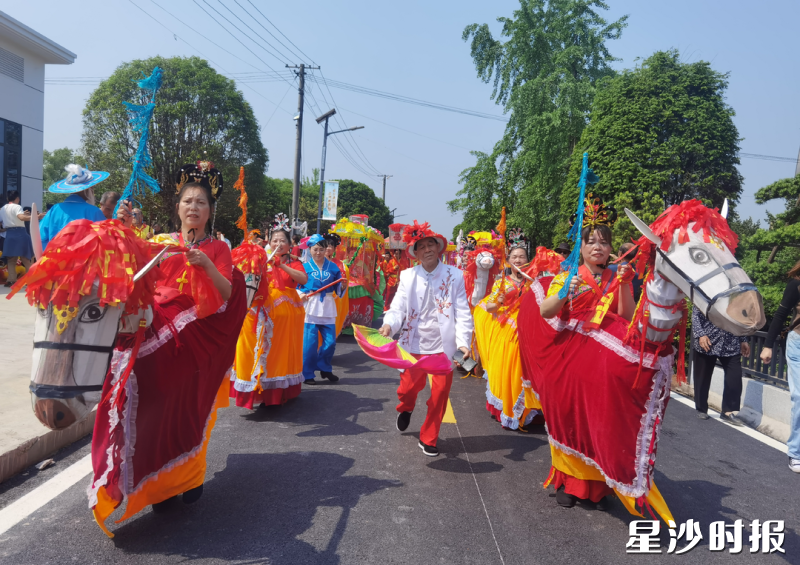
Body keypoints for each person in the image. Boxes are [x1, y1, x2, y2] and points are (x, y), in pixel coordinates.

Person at [91, 161, 247, 534]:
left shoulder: (218, 248)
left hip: (197, 341)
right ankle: (153, 481)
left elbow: (226, 295)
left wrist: (207, 265)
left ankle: (189, 476)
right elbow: (127, 268)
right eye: (187, 201)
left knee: (191, 408)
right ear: (177, 208)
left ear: (210, 212)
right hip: (155, 333)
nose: (193, 207)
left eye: (201, 202)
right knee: (144, 400)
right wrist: (122, 228)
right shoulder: (158, 244)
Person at [538, 219, 634, 509]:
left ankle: (599, 487)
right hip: (570, 358)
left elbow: (626, 316)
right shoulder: (569, 275)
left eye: (604, 242)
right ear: (581, 247)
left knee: (600, 421)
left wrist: (627, 285)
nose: (597, 247)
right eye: (591, 241)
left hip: (604, 364)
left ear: (610, 249)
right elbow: (546, 310)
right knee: (570, 420)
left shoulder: (617, 278)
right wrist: (566, 290)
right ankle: (568, 480)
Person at [379, 220, 473, 457]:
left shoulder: (455, 275)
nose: (427, 249)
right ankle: (405, 407)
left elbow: (462, 311)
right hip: (414, 342)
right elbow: (398, 306)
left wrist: (463, 342)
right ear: (416, 253)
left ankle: (429, 437)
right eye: (422, 247)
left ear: (438, 248)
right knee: (408, 388)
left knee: (440, 394)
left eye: (431, 244)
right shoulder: (408, 275)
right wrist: (389, 324)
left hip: (444, 346)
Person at [231, 213, 308, 408]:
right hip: (260, 309)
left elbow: (303, 280)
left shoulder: (293, 261)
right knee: (251, 346)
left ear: (290, 244)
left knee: (277, 354)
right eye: (275, 240)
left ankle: (275, 391)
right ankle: (252, 387)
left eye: (283, 240)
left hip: (285, 316)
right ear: (269, 242)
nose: (278, 243)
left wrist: (281, 264)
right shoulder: (261, 258)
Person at [475, 229, 536, 430]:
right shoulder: (502, 281)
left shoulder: (534, 282)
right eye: (515, 257)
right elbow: (490, 307)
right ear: (509, 260)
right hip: (507, 332)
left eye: (522, 257)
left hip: (529, 330)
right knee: (509, 368)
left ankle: (526, 408)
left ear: (528, 259)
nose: (518, 260)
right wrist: (499, 302)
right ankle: (508, 408)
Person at [760, 260, 800, 473]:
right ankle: (796, 452)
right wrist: (768, 345)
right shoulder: (796, 285)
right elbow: (781, 314)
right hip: (798, 345)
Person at [297, 234, 345, 384]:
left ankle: (324, 368)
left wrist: (341, 286)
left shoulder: (333, 267)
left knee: (330, 342)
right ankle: (308, 374)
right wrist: (301, 294)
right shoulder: (304, 268)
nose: (318, 253)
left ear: (326, 250)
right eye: (315, 249)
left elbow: (338, 287)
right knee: (309, 344)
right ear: (310, 250)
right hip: (311, 306)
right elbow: (296, 287)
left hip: (328, 307)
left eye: (321, 249)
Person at [691, 307, 749, 425]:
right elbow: (696, 315)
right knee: (702, 377)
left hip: (731, 342)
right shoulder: (706, 291)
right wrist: (700, 335)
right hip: (708, 340)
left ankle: (728, 411)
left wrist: (743, 339)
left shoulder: (736, 296)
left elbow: (740, 319)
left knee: (735, 377)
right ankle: (701, 408)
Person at [39, 164, 107, 252]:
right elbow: (105, 240)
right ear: (88, 189)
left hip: (55, 262)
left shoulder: (54, 209)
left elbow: (41, 237)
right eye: (92, 188)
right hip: (85, 264)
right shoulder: (94, 211)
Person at [0, 190, 42, 286]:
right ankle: (30, 279)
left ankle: (11, 280)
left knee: (11, 260)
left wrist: (2, 230)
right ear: (17, 199)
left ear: (7, 198)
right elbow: (21, 217)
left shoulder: (3, 208)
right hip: (20, 234)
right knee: (26, 258)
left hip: (9, 234)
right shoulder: (17, 206)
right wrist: (36, 216)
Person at [324, 232, 350, 336]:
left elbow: (344, 283)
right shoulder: (315, 263)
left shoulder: (341, 265)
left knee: (331, 329)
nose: (328, 248)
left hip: (334, 300)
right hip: (318, 299)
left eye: (331, 246)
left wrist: (343, 286)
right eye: (326, 245)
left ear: (335, 249)